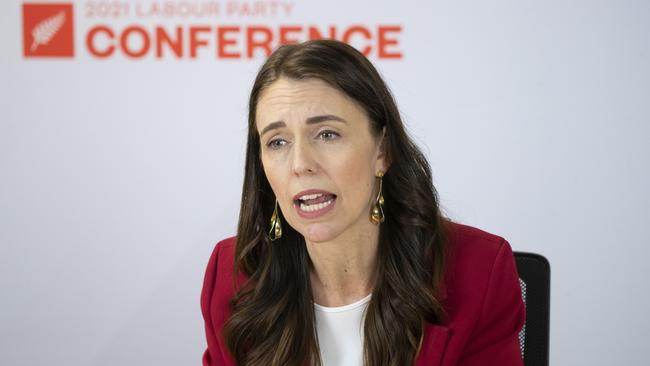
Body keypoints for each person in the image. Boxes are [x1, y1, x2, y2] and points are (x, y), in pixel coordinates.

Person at [201, 39, 525, 366]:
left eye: (327, 134)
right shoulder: (233, 277)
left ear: (382, 151)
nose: (300, 163)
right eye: (278, 141)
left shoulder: (478, 270)